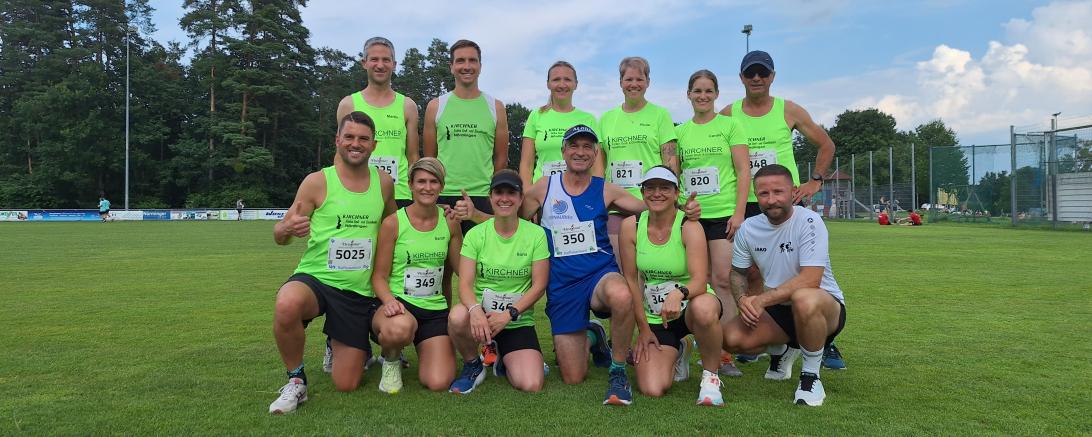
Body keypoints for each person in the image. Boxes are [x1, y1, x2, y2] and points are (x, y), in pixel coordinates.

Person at [456, 125, 702, 405]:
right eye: (574, 146)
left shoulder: (605, 189)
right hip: (562, 283)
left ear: (596, 153)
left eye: (587, 147)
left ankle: (618, 370)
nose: (580, 152)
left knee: (621, 294)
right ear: (563, 151)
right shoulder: (545, 187)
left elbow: (652, 207)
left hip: (599, 275)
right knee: (573, 375)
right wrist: (475, 214)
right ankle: (594, 335)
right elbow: (509, 220)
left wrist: (685, 209)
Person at [267, 111, 396, 414]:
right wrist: (286, 229)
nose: (356, 144)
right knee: (287, 303)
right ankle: (296, 381)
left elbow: (394, 226)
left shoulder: (384, 183)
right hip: (317, 279)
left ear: (373, 145)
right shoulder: (316, 182)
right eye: (349, 137)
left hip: (356, 292)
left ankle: (333, 339)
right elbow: (280, 234)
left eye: (363, 139)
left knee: (347, 383)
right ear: (337, 140)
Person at [720, 50, 839, 368]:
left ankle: (825, 340)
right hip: (748, 200)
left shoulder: (788, 110)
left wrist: (815, 181)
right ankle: (772, 334)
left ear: (772, 76)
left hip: (787, 202)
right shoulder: (728, 113)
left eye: (763, 72)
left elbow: (826, 144)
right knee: (753, 270)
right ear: (741, 77)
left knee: (809, 268)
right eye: (750, 73)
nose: (756, 78)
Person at [722, 164, 847, 407]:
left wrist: (761, 300)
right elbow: (737, 273)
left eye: (778, 192)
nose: (771, 200)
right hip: (780, 309)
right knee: (731, 338)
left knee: (804, 298)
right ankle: (783, 350)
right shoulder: (749, 227)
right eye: (764, 194)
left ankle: (811, 376)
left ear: (793, 192)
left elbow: (811, 280)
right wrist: (743, 301)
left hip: (823, 307)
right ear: (756, 196)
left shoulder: (810, 221)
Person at [619, 166, 726, 406]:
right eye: (651, 188)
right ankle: (681, 347)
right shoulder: (631, 226)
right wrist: (643, 329)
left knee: (705, 309)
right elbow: (631, 280)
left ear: (676, 193)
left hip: (691, 307)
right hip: (658, 317)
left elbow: (700, 279)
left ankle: (711, 378)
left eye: (665, 188)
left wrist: (679, 293)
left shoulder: (688, 225)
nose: (657, 193)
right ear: (642, 192)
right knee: (652, 388)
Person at [676, 69, 751, 378]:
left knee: (721, 281)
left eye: (708, 90)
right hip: (691, 217)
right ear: (689, 94)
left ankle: (724, 353)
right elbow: (674, 177)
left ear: (717, 94)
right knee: (693, 282)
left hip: (723, 216)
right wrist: (683, 205)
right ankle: (687, 347)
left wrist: (739, 213)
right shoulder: (680, 132)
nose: (703, 95)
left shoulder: (730, 125)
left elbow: (743, 171)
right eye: (697, 90)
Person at [447, 169, 550, 394]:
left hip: (516, 319)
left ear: (521, 198)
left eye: (511, 193)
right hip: (480, 319)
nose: (505, 198)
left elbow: (539, 285)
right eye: (499, 192)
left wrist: (509, 314)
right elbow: (464, 283)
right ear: (490, 197)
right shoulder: (476, 234)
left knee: (531, 384)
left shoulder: (536, 234)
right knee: (457, 316)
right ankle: (474, 364)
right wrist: (475, 311)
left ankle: (501, 356)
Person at [370, 158, 462, 393]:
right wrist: (389, 302)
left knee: (439, 381)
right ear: (410, 184)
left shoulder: (450, 223)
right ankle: (390, 360)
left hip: (434, 310)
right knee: (400, 327)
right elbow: (379, 277)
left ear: (441, 187)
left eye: (434, 182)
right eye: (421, 181)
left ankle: (428, 350)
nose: (427, 187)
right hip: (399, 306)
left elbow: (461, 269)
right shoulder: (393, 223)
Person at [424, 39, 509, 235]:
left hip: (482, 196)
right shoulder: (436, 106)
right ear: (451, 67)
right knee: (443, 262)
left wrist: (492, 193)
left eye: (473, 60)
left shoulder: (496, 107)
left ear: (480, 66)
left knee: (480, 261)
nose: (467, 66)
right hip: (444, 196)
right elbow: (429, 159)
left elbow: (501, 158)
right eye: (460, 61)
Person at [599, 56, 678, 261]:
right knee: (619, 267)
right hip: (615, 206)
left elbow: (670, 160)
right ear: (620, 83)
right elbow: (599, 164)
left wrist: (673, 199)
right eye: (629, 79)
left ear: (648, 82)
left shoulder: (660, 115)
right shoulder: (607, 118)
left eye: (639, 79)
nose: (634, 84)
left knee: (648, 267)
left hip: (650, 204)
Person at [336, 36, 420, 209]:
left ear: (394, 65)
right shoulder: (348, 104)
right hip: (360, 193)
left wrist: (417, 194)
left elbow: (413, 157)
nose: (380, 65)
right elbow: (340, 154)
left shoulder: (408, 106)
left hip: (400, 195)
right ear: (364, 63)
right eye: (374, 59)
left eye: (386, 60)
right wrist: (338, 190)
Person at [518, 61, 600, 187]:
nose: (562, 85)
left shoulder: (588, 119)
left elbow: (597, 166)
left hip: (579, 193)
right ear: (548, 84)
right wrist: (527, 194)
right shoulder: (536, 116)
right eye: (556, 80)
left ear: (575, 84)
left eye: (567, 79)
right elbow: (526, 164)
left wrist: (595, 195)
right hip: (542, 194)